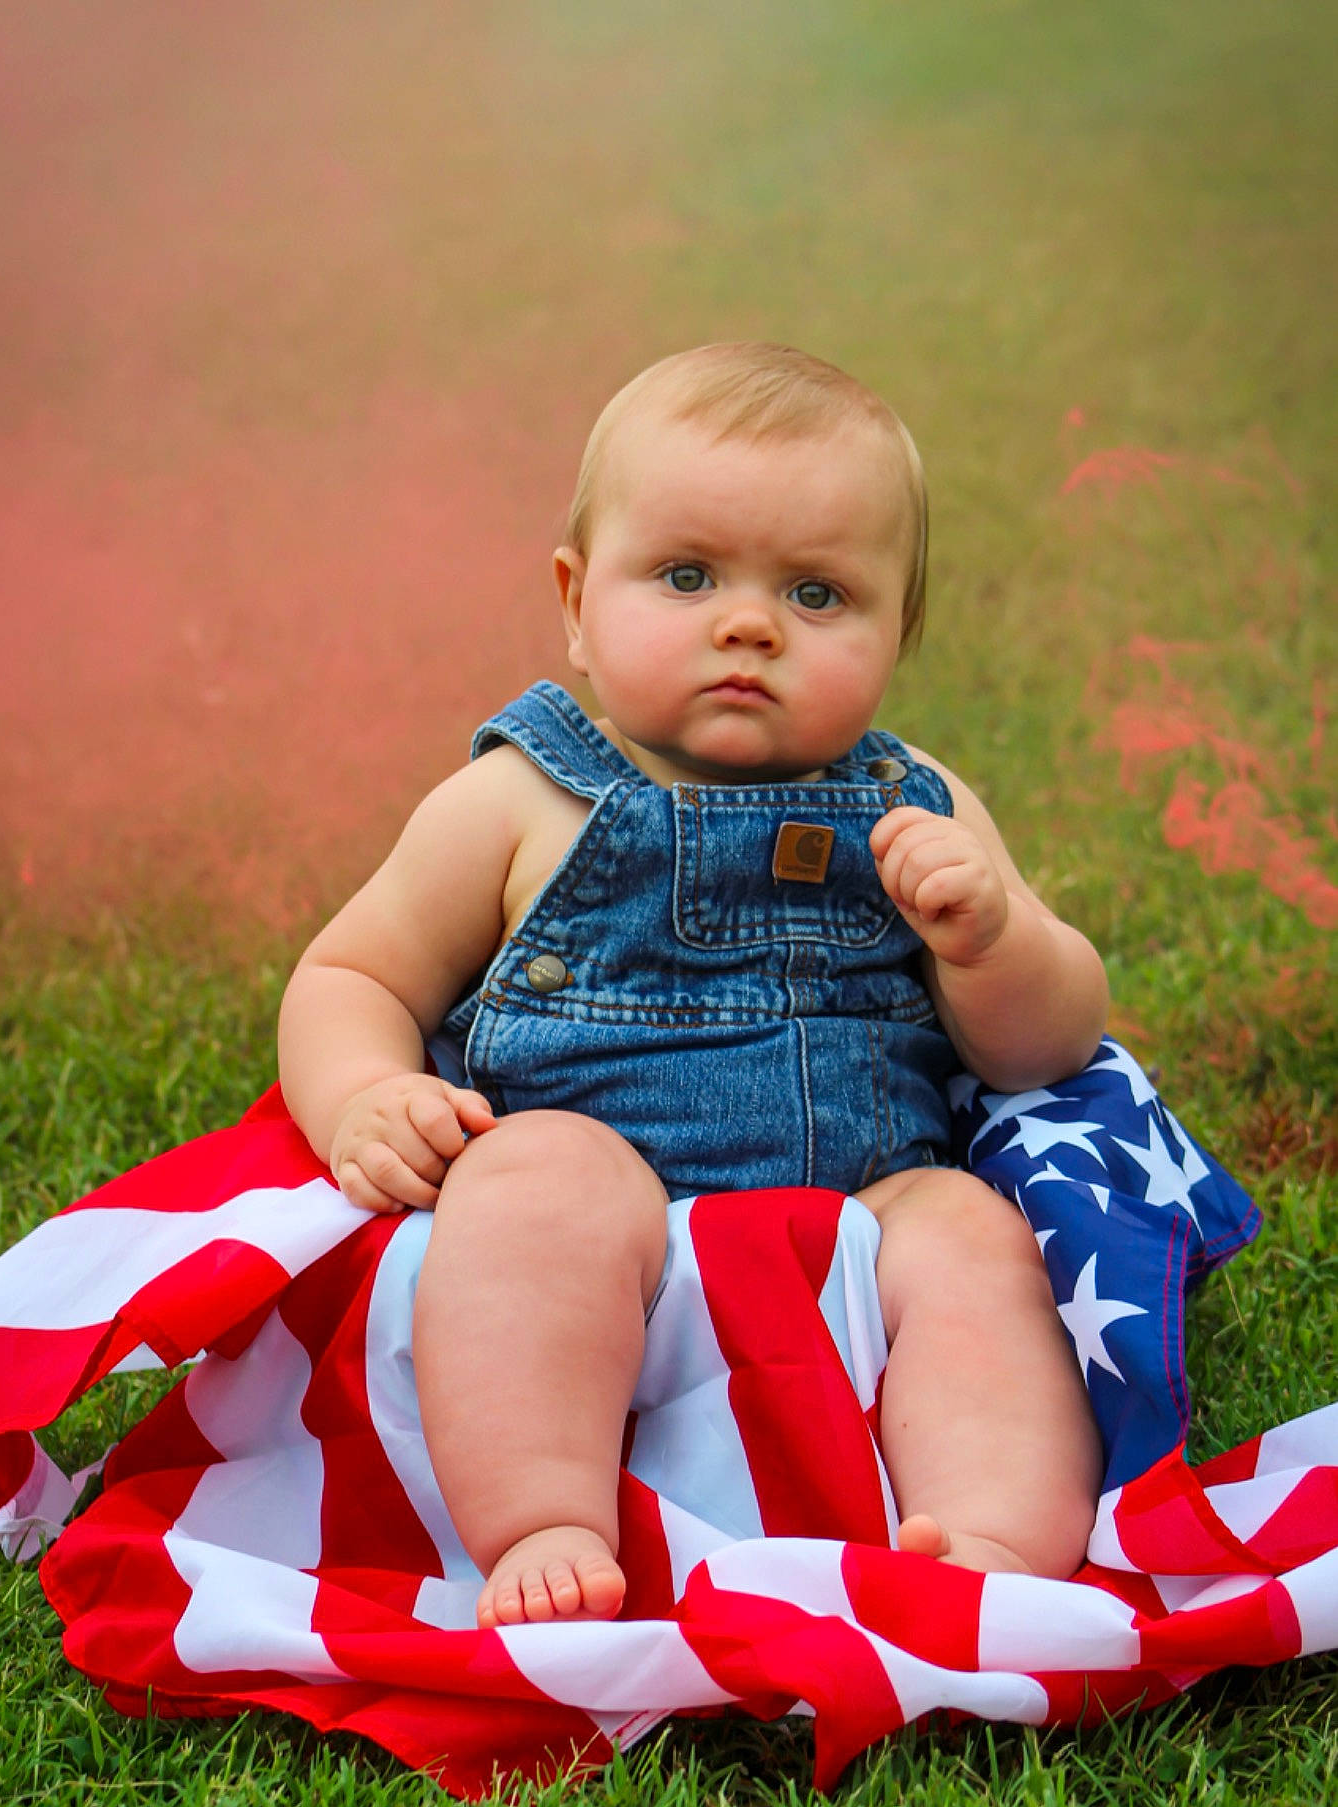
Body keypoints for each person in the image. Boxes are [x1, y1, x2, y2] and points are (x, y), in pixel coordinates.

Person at [278, 342, 1108, 1628]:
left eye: (821, 594)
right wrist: (365, 1095)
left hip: (854, 1208)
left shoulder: (916, 804)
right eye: (685, 575)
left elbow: (1040, 1053)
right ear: (574, 598)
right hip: (605, 1195)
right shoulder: (520, 797)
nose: (749, 623)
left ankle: (995, 1541)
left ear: (901, 629)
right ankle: (544, 1519)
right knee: (530, 1184)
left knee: (973, 1239)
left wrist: (992, 941)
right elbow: (350, 970)